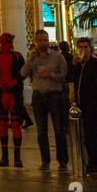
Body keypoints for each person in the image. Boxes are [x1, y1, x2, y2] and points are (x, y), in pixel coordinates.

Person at [22, 28, 69, 169]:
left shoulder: (57, 56)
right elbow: (23, 73)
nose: (43, 42)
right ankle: (45, 161)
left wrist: (51, 74)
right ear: (36, 41)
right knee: (41, 130)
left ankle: (62, 160)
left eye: (45, 39)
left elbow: (64, 75)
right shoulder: (33, 57)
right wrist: (30, 57)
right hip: (38, 96)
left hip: (54, 94)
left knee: (58, 129)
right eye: (40, 40)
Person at [0, 32, 27, 167]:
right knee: (5, 124)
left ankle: (15, 158)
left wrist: (11, 83)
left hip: (13, 94)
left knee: (15, 124)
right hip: (3, 94)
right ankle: (8, 157)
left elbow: (22, 73)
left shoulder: (16, 56)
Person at [67, 36, 97, 173]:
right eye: (80, 47)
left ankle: (94, 162)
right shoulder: (77, 65)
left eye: (85, 47)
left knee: (91, 133)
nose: (83, 50)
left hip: (91, 103)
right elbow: (70, 80)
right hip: (77, 103)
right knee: (79, 133)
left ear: (90, 49)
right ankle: (81, 160)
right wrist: (74, 65)